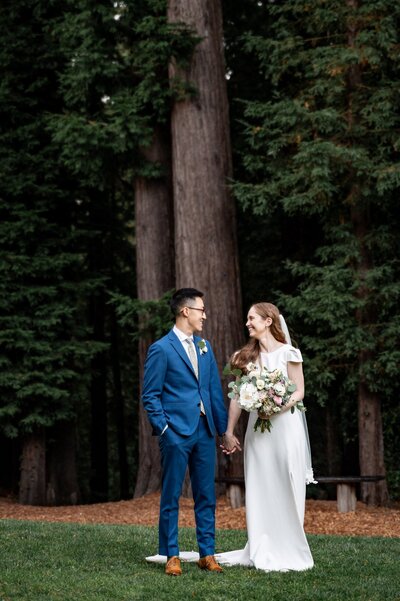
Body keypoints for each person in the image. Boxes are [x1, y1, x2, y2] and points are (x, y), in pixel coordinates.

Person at [218, 302, 315, 572]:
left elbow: (299, 392)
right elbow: (237, 398)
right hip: (257, 433)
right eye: (247, 319)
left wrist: (274, 408)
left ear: (268, 321)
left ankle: (290, 545)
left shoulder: (289, 353)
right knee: (261, 484)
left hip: (285, 428)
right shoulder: (245, 357)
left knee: (287, 480)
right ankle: (261, 544)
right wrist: (229, 431)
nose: (247, 323)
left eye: (252, 319)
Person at [142, 288, 227, 576]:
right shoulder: (161, 348)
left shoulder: (205, 347)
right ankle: (171, 554)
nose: (204, 314)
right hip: (176, 433)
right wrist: (165, 429)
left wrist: (223, 430)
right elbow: (150, 395)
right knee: (171, 495)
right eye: (201, 309)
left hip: (205, 431)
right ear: (185, 311)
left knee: (206, 495)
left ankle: (207, 553)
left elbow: (214, 391)